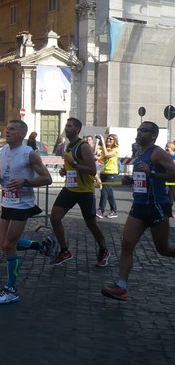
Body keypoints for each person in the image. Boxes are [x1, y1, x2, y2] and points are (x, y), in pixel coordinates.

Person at [101, 121, 175, 301]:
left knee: (163, 249)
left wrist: (153, 174)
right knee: (127, 244)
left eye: (144, 130)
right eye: (138, 129)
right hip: (139, 206)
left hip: (156, 205)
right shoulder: (138, 153)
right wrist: (131, 180)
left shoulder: (157, 152)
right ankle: (121, 286)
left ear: (153, 135)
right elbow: (142, 178)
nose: (139, 132)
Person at [0, 119, 54, 304]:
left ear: (22, 134)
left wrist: (25, 182)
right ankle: (41, 246)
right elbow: (5, 176)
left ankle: (11, 289)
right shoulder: (4, 152)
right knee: (4, 245)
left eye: (12, 129)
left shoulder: (29, 153)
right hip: (7, 202)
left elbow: (47, 178)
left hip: (22, 205)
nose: (7, 131)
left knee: (9, 245)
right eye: (7, 128)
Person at [50, 118, 110, 267]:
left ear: (77, 129)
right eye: (66, 126)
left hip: (85, 191)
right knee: (55, 217)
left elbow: (92, 170)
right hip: (69, 189)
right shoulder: (69, 146)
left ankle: (103, 250)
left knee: (91, 224)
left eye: (70, 126)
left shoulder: (83, 146)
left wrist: (73, 164)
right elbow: (72, 167)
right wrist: (66, 170)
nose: (66, 128)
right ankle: (64, 251)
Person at [97, 134, 119, 218]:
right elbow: (96, 152)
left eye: (111, 139)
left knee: (104, 191)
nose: (108, 140)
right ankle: (114, 210)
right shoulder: (104, 147)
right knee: (109, 193)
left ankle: (100, 210)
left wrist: (102, 141)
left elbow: (106, 154)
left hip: (112, 173)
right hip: (103, 172)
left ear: (115, 141)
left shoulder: (116, 149)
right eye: (108, 139)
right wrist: (97, 142)